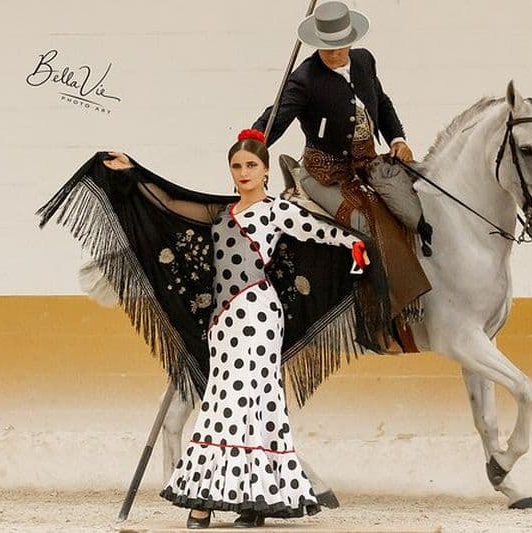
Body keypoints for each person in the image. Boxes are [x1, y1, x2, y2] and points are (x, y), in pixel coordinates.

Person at [102, 130, 368, 528]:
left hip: (258, 315)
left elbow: (321, 231)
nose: (244, 172)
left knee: (235, 402)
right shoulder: (222, 214)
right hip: (223, 322)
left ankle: (205, 502)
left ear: (264, 172)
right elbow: (172, 202)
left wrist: (356, 245)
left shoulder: (277, 211)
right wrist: (134, 173)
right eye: (237, 166)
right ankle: (253, 501)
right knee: (242, 402)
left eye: (252, 166)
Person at [252, 1, 431, 350]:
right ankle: (373, 321)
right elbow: (277, 115)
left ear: (351, 39)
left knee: (414, 212)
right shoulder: (304, 79)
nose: (334, 53)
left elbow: (381, 100)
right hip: (324, 172)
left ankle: (418, 304)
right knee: (363, 227)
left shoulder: (364, 61)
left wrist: (397, 138)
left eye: (340, 45)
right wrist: (252, 143)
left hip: (367, 164)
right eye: (327, 46)